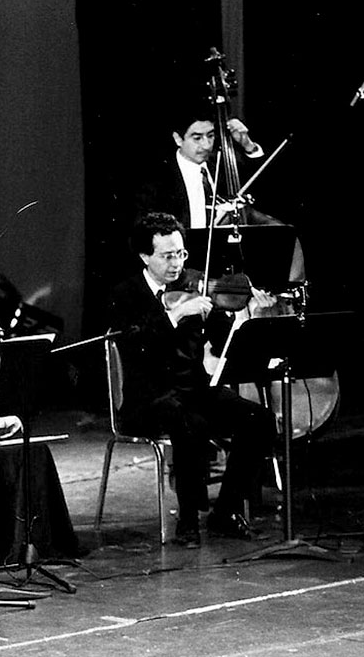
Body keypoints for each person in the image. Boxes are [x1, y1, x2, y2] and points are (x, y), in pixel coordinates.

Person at [106, 212, 278, 547]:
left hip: (193, 390)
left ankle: (225, 510)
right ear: (145, 256)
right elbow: (136, 346)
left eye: (181, 254)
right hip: (146, 399)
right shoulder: (125, 294)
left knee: (259, 420)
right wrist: (175, 315)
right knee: (189, 421)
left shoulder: (195, 284)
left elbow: (226, 339)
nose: (177, 264)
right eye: (167, 256)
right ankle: (187, 520)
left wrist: (247, 315)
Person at [132, 105, 305, 281]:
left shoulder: (222, 164)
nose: (206, 145)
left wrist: (248, 145)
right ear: (178, 139)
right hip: (181, 268)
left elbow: (269, 186)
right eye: (197, 138)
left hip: (226, 266)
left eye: (211, 135)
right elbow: (145, 233)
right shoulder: (158, 179)